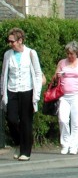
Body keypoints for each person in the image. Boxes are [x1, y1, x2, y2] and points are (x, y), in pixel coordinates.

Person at [1, 27, 43, 161]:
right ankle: (19, 143)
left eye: (12, 41)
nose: (10, 44)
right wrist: (3, 93)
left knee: (26, 122)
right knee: (12, 119)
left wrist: (36, 94)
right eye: (9, 41)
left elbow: (37, 73)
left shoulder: (31, 53)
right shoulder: (8, 55)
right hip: (12, 90)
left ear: (20, 40)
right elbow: (4, 75)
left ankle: (26, 151)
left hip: (27, 90)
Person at [54, 41, 78, 155]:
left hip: (77, 95)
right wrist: (58, 75)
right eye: (68, 54)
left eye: (72, 54)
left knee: (75, 122)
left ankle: (74, 145)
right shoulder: (62, 63)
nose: (70, 56)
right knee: (63, 119)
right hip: (64, 96)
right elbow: (54, 77)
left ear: (76, 53)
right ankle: (65, 144)